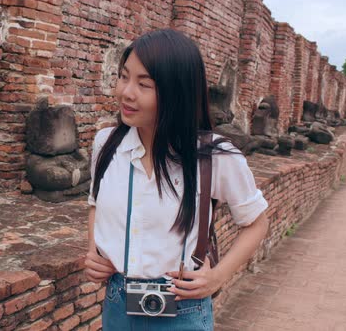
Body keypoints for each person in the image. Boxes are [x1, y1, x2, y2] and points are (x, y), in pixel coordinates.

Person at [84, 29, 269, 330]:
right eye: (123, 77)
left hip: (182, 308)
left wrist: (217, 277)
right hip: (117, 302)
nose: (126, 92)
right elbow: (95, 203)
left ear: (177, 92)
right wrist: (94, 250)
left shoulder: (214, 157)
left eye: (144, 84)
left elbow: (256, 222)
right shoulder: (106, 145)